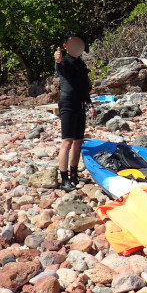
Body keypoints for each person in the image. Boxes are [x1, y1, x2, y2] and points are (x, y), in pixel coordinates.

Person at [54, 31, 97, 191]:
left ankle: (74, 175)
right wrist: (57, 61)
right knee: (67, 142)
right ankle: (64, 178)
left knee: (78, 142)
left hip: (80, 104)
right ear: (65, 47)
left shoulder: (81, 64)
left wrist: (90, 104)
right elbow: (60, 68)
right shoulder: (65, 62)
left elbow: (84, 87)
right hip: (67, 104)